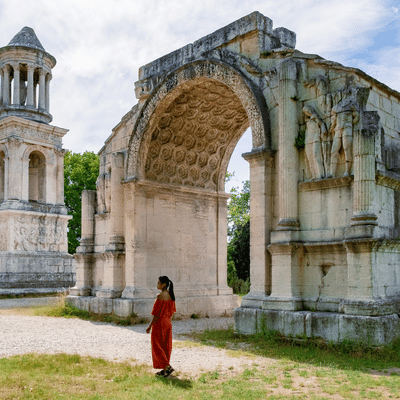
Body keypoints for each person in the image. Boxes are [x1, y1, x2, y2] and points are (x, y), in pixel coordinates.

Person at [146, 275, 176, 377]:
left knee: (157, 345)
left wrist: (150, 326)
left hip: (160, 323)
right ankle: (165, 369)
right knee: (165, 345)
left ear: (163, 284)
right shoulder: (171, 295)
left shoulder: (160, 296)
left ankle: (167, 366)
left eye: (158, 282)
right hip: (168, 323)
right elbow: (172, 312)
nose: (157, 284)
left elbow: (156, 314)